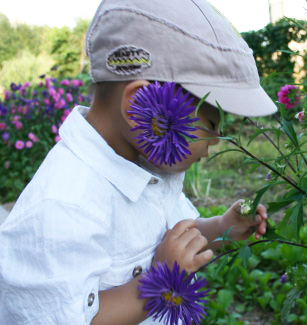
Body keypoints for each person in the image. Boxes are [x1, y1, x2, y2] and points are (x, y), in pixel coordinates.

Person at [0, 0, 277, 324]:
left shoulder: (145, 163)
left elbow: (176, 234)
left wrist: (220, 228)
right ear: (142, 109)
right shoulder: (64, 204)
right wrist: (160, 281)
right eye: (211, 124)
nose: (215, 142)